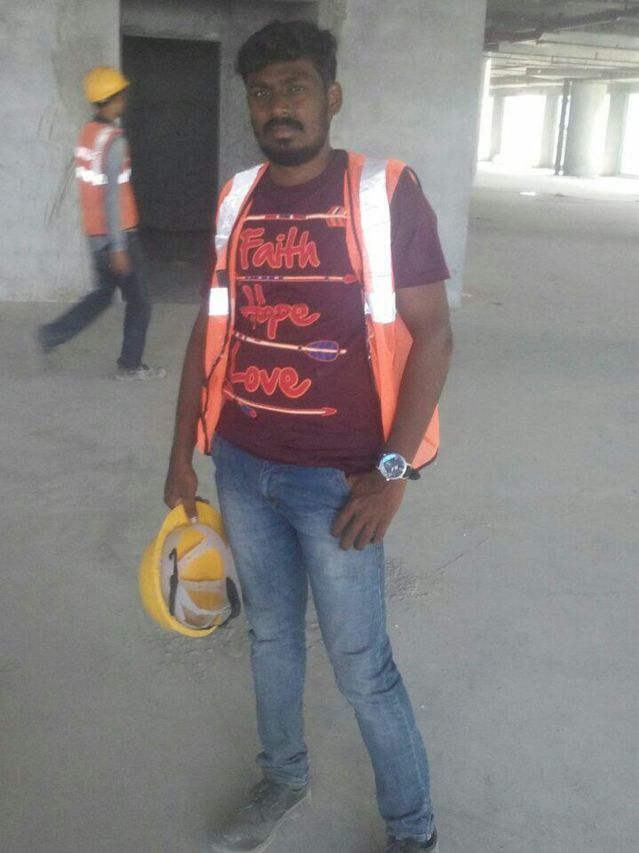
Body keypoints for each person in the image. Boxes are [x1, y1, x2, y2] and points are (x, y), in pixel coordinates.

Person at [164, 20, 452, 853]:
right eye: (261, 93)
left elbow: (434, 335)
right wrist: (180, 451)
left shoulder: (384, 192)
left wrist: (391, 471)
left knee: (362, 664)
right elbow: (208, 330)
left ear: (331, 97)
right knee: (270, 636)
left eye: (294, 88)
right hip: (242, 463)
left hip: (341, 479)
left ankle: (412, 828)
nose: (277, 107)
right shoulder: (237, 200)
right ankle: (284, 775)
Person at [37, 66, 165, 381]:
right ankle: (130, 365)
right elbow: (112, 197)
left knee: (102, 295)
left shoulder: (88, 134)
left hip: (95, 235)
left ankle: (51, 334)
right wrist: (118, 247)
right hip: (119, 237)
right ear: (112, 99)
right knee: (140, 302)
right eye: (121, 95)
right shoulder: (114, 142)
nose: (124, 100)